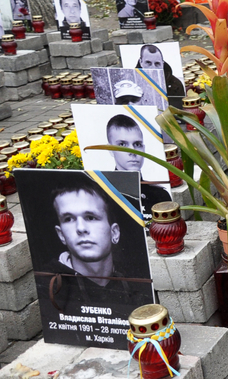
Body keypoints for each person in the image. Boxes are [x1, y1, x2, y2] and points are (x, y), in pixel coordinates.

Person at [41, 178, 151, 313]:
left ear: (114, 232)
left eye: (90, 217)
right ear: (61, 234)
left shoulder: (140, 283)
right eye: (68, 219)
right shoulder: (46, 287)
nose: (80, 228)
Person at [105, 114, 171, 217]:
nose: (133, 152)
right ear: (110, 150)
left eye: (137, 144)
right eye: (122, 144)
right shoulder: (102, 195)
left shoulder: (159, 195)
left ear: (143, 148)